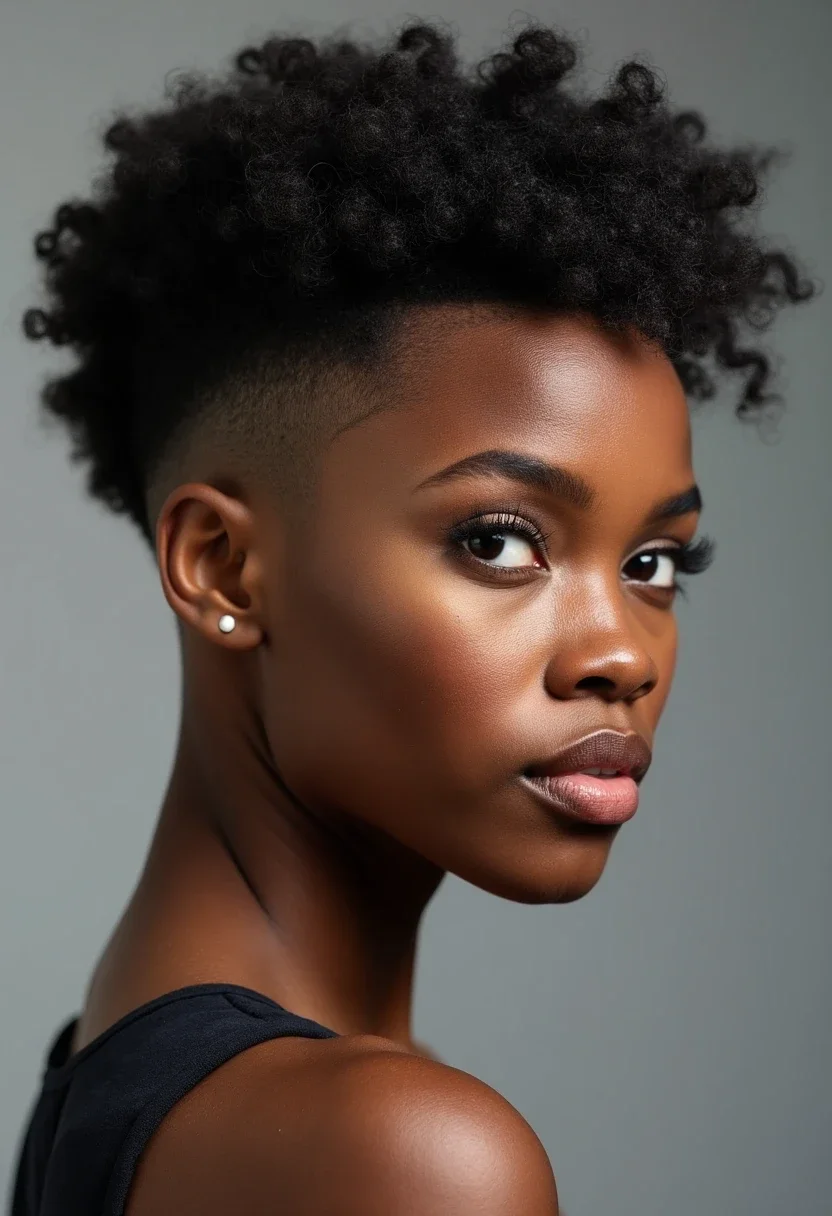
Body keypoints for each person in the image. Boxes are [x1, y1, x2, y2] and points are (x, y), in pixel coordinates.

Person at [10, 17, 814, 1216]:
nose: (619, 654)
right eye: (499, 541)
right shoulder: (405, 1156)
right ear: (222, 568)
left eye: (653, 561)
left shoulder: (119, 1079)